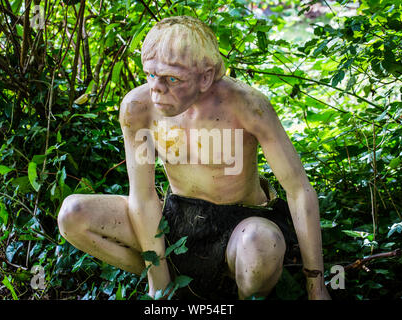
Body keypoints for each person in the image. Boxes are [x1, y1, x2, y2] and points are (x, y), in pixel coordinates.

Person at [57, 15, 331, 300]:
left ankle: (236, 288)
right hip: (177, 217)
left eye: (172, 78)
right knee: (73, 215)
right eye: (151, 75)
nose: (157, 88)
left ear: (206, 76)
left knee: (260, 244)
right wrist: (158, 281)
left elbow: (298, 189)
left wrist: (317, 286)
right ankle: (183, 283)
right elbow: (143, 197)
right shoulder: (138, 108)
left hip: (243, 223)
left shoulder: (247, 105)